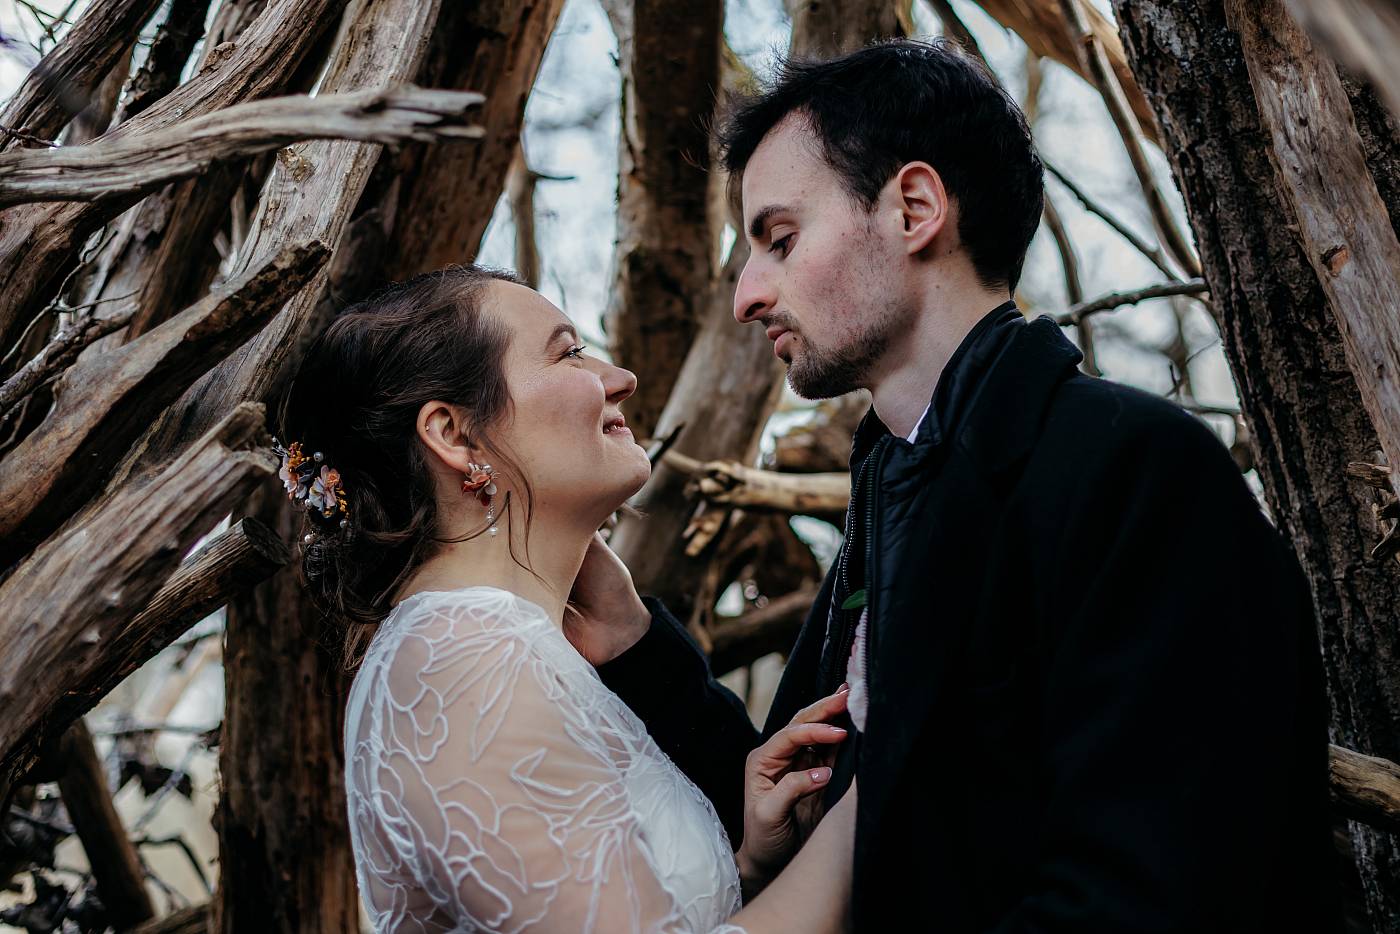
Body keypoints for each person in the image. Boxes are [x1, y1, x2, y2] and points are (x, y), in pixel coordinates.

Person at [574, 38, 1342, 931]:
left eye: (781, 240)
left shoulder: (1135, 474)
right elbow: (816, 825)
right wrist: (634, 644)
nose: (747, 295)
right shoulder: (894, 496)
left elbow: (1156, 892)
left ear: (914, 208)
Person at [275, 266, 858, 932]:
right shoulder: (461, 666)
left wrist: (746, 867)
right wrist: (872, 796)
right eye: (569, 352)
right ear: (455, 436)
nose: (621, 378)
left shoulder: (493, 650)